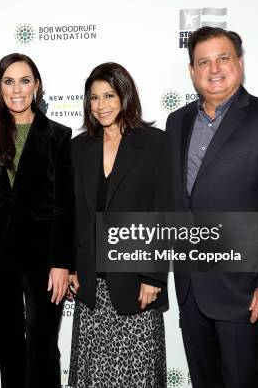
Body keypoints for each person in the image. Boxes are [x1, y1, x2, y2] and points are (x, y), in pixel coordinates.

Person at [165, 26, 258, 388]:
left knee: (245, 381)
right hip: (191, 287)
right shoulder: (176, 121)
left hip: (243, 290)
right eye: (203, 61)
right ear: (192, 71)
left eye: (223, 58)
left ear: (240, 63)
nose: (214, 69)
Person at [68, 62, 171, 388]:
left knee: (136, 375)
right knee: (93, 376)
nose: (101, 106)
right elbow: (73, 214)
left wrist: (153, 275)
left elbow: (163, 212)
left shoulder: (155, 143)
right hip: (90, 285)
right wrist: (71, 266)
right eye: (94, 98)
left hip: (136, 283)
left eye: (109, 95)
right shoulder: (77, 148)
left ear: (125, 95)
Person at [0, 53, 75, 388]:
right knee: (8, 343)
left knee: (43, 345)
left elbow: (65, 205)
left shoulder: (59, 136)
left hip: (44, 258)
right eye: (8, 81)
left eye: (24, 80)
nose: (16, 89)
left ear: (37, 86)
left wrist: (62, 262)